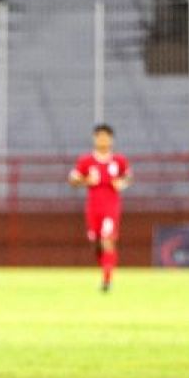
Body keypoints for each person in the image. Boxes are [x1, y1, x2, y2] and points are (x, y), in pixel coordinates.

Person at [68, 124, 131, 292]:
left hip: (111, 207)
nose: (103, 140)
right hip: (93, 207)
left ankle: (107, 280)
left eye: (106, 137)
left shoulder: (119, 161)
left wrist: (121, 183)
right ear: (95, 139)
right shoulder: (86, 161)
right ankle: (105, 268)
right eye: (100, 137)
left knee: (107, 240)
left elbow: (128, 177)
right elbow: (72, 179)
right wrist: (85, 181)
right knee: (96, 243)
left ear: (111, 140)